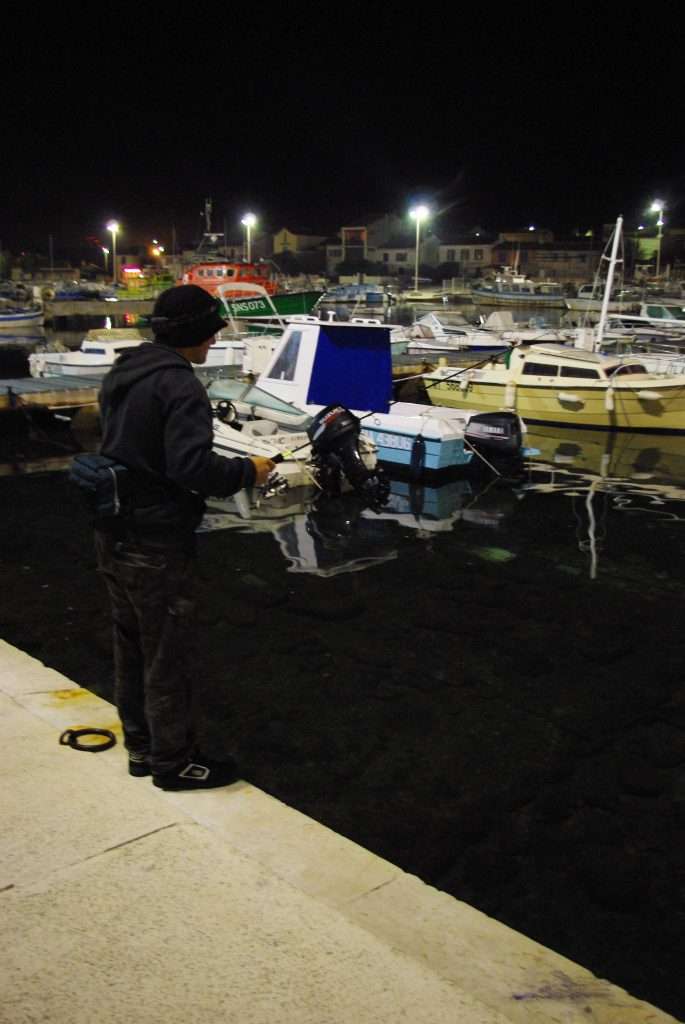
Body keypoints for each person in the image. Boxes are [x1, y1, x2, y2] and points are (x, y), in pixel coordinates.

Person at [94, 284, 275, 791]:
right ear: (195, 333)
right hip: (156, 542)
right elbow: (192, 468)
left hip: (112, 531)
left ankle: (141, 748)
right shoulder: (179, 385)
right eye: (211, 332)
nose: (215, 340)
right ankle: (174, 764)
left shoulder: (124, 371)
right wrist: (249, 470)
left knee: (130, 647)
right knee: (167, 656)